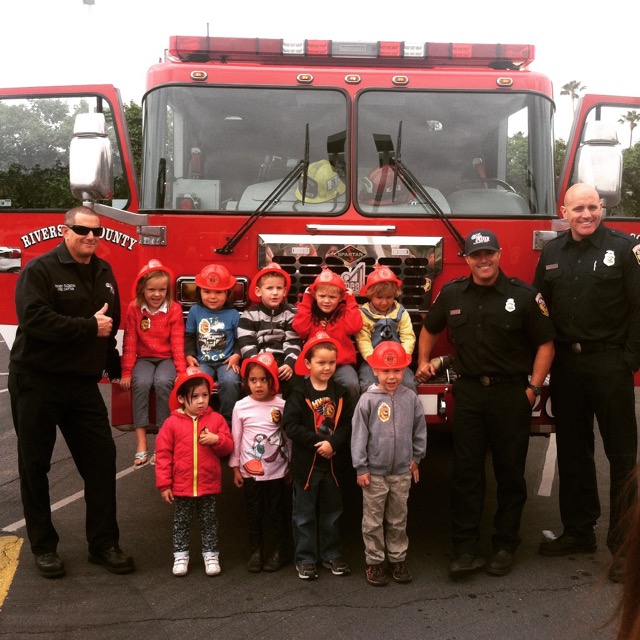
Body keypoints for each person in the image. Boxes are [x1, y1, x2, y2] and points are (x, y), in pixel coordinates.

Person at [416, 229, 555, 579]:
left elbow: (546, 344)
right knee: (466, 474)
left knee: (509, 473)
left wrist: (533, 389)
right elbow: (430, 328)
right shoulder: (451, 294)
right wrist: (423, 360)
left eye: (489, 253)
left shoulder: (524, 296)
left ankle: (505, 545)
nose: (483, 260)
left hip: (511, 395)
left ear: (499, 253)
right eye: (476, 255)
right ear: (467, 259)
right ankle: (465, 549)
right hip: (470, 394)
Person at [8, 205, 134, 578]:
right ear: (66, 231)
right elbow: (34, 319)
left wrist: (117, 367)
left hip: (81, 386)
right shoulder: (40, 270)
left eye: (97, 231)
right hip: (37, 382)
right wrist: (86, 327)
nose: (90, 237)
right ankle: (44, 548)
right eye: (82, 230)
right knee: (35, 467)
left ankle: (103, 544)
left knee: (102, 460)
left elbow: (107, 327)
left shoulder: (104, 272)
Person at [533, 183, 640, 582]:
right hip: (568, 367)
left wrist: (628, 360)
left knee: (622, 457)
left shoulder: (627, 249)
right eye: (578, 208)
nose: (586, 214)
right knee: (574, 452)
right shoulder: (552, 252)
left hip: (611, 363)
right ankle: (578, 532)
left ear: (603, 208)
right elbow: (539, 308)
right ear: (564, 210)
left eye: (593, 207)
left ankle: (626, 546)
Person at [351, 341, 427, 586]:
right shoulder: (367, 400)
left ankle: (397, 558)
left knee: (397, 518)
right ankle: (374, 562)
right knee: (372, 520)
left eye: (397, 371)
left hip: (402, 472)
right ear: (374, 370)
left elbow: (419, 430)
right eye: (385, 370)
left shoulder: (411, 398)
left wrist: (416, 458)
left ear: (405, 370)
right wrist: (361, 467)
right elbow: (359, 435)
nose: (392, 376)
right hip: (374, 473)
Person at [282, 331, 354, 580]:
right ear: (308, 363)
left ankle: (331, 554)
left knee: (332, 513)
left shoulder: (342, 393)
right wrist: (318, 442)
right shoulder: (298, 393)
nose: (327, 367)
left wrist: (333, 444)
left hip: (333, 464)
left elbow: (347, 425)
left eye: (331, 362)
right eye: (321, 362)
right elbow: (290, 426)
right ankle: (305, 558)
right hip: (306, 465)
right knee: (303, 515)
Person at [155, 366, 234, 577]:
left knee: (209, 521)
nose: (202, 401)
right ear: (181, 399)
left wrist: (217, 440)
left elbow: (228, 446)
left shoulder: (216, 420)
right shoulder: (171, 424)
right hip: (181, 486)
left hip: (208, 484)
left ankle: (211, 555)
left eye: (205, 395)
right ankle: (180, 556)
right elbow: (163, 455)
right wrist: (164, 484)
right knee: (181, 522)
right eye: (195, 396)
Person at [120, 259, 186, 468]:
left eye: (162, 290)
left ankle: (162, 442)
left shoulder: (174, 309)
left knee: (164, 383)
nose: (157, 294)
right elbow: (130, 341)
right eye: (151, 289)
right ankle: (141, 443)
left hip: (166, 358)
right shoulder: (134, 309)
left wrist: (181, 371)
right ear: (141, 289)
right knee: (140, 384)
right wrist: (127, 372)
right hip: (144, 358)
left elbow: (177, 342)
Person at [229, 352, 290, 573]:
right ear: (246, 382)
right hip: (250, 471)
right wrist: (235, 467)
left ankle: (280, 551)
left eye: (264, 380)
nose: (259, 385)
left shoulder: (282, 405)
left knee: (277, 511)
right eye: (253, 380)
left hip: (277, 470)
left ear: (272, 381)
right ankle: (256, 551)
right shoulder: (240, 407)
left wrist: (290, 464)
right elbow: (236, 438)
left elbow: (287, 437)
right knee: (254, 512)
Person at [292, 267, 362, 406]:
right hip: (315, 363)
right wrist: (306, 301)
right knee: (307, 388)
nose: (326, 301)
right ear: (314, 295)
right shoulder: (309, 312)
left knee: (352, 384)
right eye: (322, 296)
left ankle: (351, 420)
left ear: (341, 297)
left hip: (341, 363)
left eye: (332, 297)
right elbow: (301, 329)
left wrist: (351, 301)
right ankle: (312, 421)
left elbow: (354, 327)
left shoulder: (345, 312)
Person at [185, 263, 241, 427]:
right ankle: (200, 422)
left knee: (231, 382)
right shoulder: (195, 311)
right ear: (199, 292)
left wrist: (236, 355)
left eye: (218, 292)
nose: (212, 296)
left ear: (228, 293)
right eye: (206, 291)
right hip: (202, 362)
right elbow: (189, 336)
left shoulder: (233, 314)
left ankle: (227, 423)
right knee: (196, 383)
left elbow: (240, 339)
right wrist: (189, 355)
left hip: (226, 362)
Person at [237, 262, 302, 397]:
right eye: (269, 288)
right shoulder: (249, 315)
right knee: (252, 384)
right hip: (258, 361)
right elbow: (246, 344)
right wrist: (258, 364)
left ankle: (292, 415)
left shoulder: (290, 315)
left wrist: (289, 364)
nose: (275, 293)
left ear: (284, 291)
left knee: (297, 385)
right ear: (258, 291)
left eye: (279, 288)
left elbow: (293, 341)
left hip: (282, 361)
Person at [355, 263, 417, 393]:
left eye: (389, 297)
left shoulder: (401, 312)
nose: (384, 302)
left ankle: (409, 411)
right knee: (367, 384)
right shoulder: (364, 314)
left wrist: (404, 356)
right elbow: (363, 340)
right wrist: (372, 358)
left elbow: (408, 336)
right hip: (372, 362)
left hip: (398, 361)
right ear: (370, 295)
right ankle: (367, 412)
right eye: (379, 298)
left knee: (409, 383)